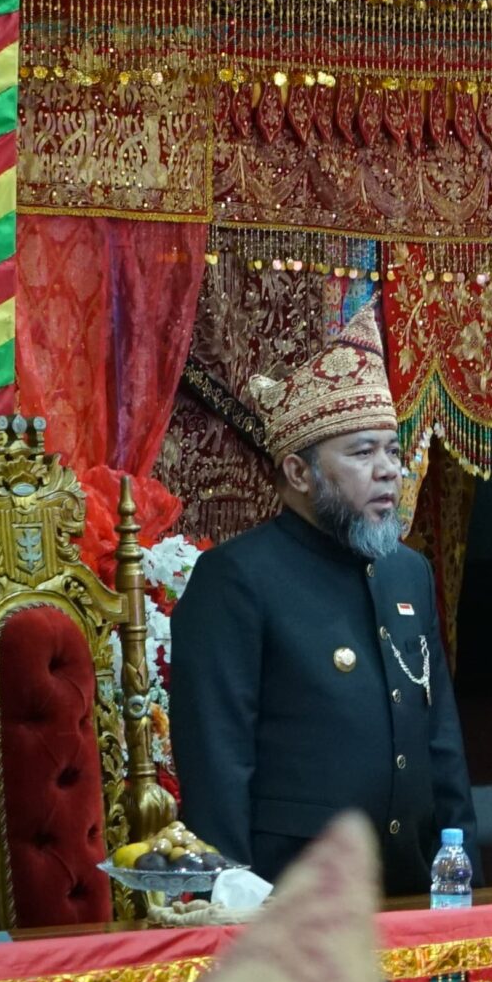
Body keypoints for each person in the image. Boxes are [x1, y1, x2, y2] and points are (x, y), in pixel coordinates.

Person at [171, 304, 475, 893]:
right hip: (291, 897)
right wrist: (230, 902)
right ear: (298, 472)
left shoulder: (407, 573)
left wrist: (466, 884)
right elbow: (217, 766)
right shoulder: (236, 578)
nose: (389, 471)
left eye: (392, 450)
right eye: (362, 453)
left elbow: (442, 744)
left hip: (411, 885)